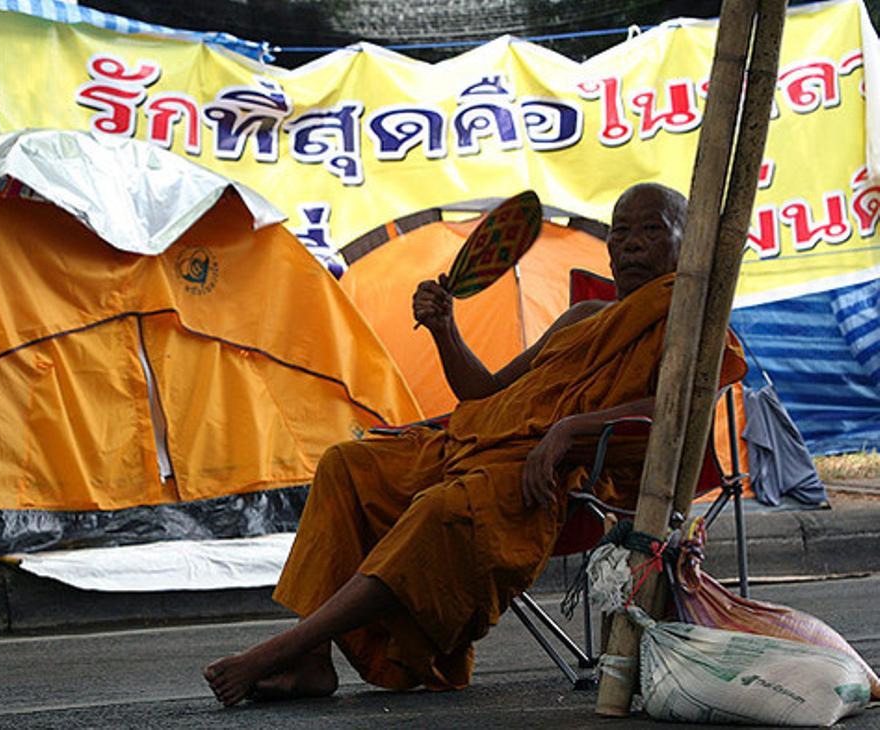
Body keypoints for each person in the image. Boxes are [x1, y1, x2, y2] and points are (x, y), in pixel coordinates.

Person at [204, 183, 746, 707]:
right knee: (349, 463)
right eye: (620, 232)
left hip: (546, 476)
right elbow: (485, 391)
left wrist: (568, 430)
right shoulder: (584, 318)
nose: (628, 243)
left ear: (687, 241)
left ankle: (282, 649)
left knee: (441, 510)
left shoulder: (692, 325)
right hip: (470, 445)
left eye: (651, 230)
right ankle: (311, 657)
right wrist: (445, 329)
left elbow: (678, 416)